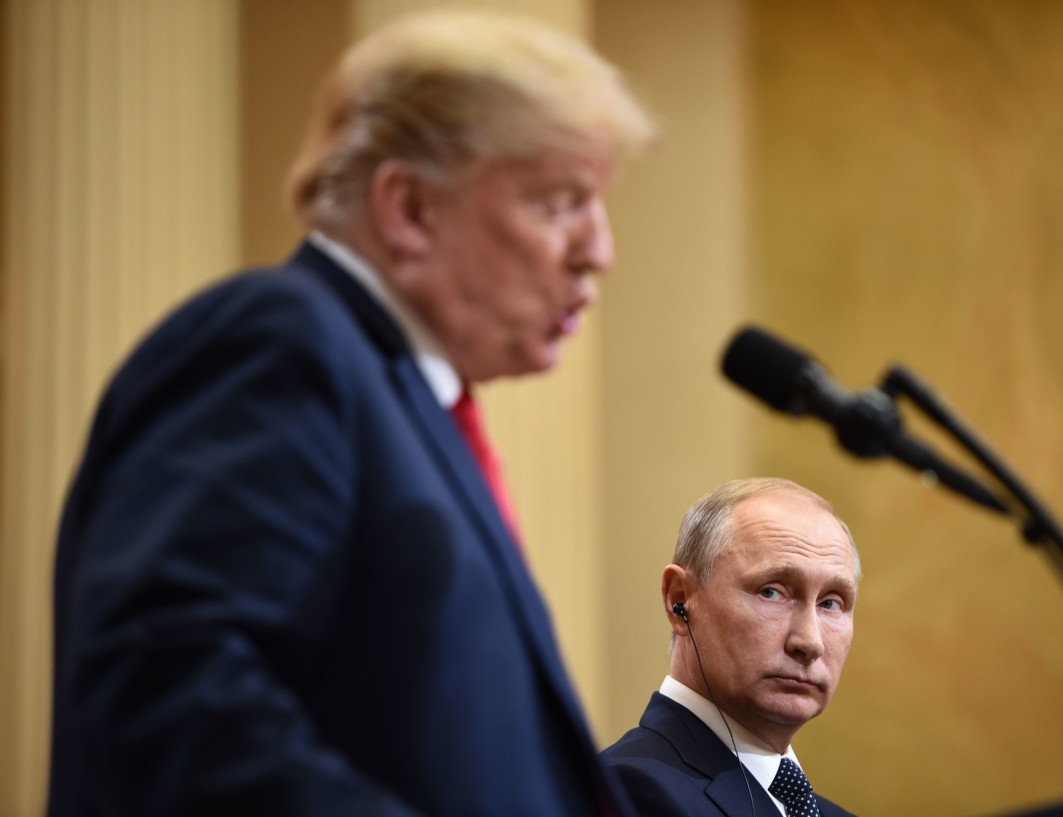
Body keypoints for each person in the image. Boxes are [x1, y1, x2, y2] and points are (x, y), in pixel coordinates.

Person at [46, 9, 654, 816]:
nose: (599, 250)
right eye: (557, 203)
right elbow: (170, 700)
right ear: (408, 208)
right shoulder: (276, 343)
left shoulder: (404, 397)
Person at [602, 477, 861, 817]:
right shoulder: (621, 793)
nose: (809, 642)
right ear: (680, 600)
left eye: (830, 603)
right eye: (772, 592)